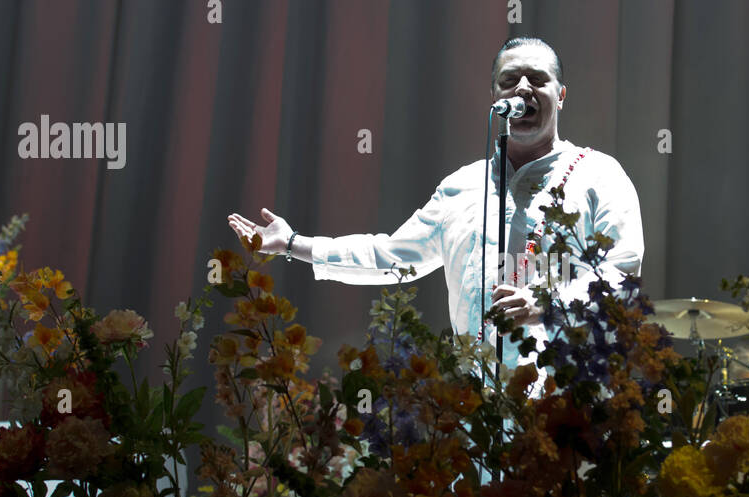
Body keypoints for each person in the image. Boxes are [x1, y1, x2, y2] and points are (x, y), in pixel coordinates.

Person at [227, 36, 643, 374]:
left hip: (571, 403)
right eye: (509, 80)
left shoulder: (599, 175)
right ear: (495, 95)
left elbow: (621, 274)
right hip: (477, 408)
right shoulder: (461, 187)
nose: (522, 89)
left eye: (537, 79)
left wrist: (550, 304)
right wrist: (293, 243)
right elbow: (390, 255)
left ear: (562, 94)